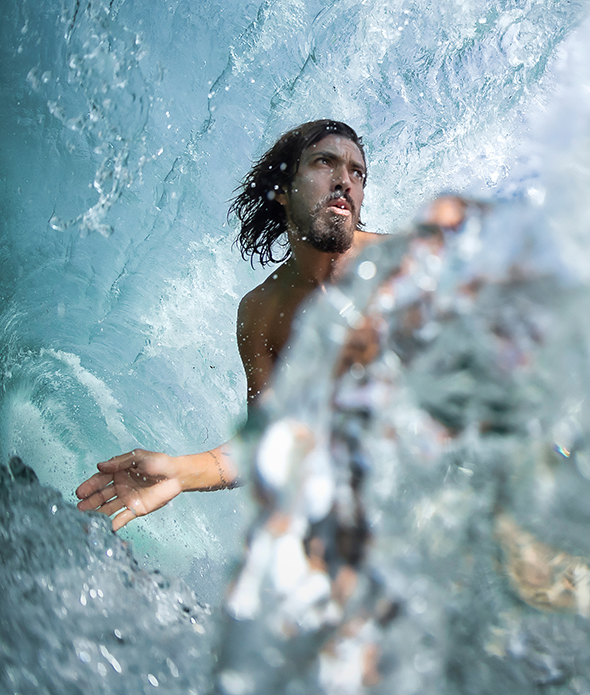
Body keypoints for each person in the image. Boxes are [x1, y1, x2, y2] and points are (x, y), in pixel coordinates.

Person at [74, 119, 465, 531]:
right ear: (282, 190)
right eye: (324, 162)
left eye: (357, 172)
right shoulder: (262, 314)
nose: (344, 181)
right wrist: (180, 471)